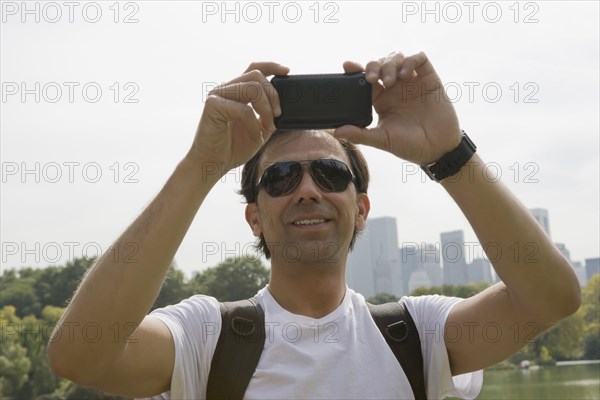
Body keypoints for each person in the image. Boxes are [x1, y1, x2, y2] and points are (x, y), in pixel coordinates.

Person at [48, 51, 582, 399]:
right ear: (254, 217)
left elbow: (552, 298)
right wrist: (201, 167)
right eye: (280, 177)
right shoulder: (205, 337)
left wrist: (448, 152)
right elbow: (79, 353)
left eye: (330, 172)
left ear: (362, 208)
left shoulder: (415, 335)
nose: (307, 189)